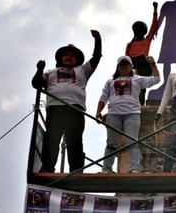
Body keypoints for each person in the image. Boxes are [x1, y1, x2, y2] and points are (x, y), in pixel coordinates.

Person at [31, 30, 102, 173]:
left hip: (74, 108)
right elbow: (36, 83)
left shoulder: (83, 70)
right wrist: (39, 69)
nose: (69, 58)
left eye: (72, 56)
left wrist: (98, 40)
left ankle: (76, 170)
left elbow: (96, 58)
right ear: (61, 58)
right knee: (51, 139)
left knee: (74, 140)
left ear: (77, 59)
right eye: (66, 55)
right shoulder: (51, 72)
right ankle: (47, 168)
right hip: (55, 108)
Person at [96, 55, 160, 173]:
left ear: (131, 66)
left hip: (132, 113)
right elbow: (104, 96)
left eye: (126, 64)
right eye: (122, 64)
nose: (124, 66)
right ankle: (107, 169)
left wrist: (153, 64)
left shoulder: (137, 79)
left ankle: (134, 168)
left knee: (132, 141)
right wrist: (98, 111)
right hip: (114, 113)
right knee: (111, 143)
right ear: (118, 67)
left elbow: (156, 79)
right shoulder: (111, 81)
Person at [125, 2, 158, 105]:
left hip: (143, 64)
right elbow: (126, 59)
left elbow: (154, 26)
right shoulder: (130, 44)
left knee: (142, 87)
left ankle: (140, 105)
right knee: (130, 86)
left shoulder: (146, 40)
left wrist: (155, 10)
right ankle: (130, 104)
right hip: (133, 65)